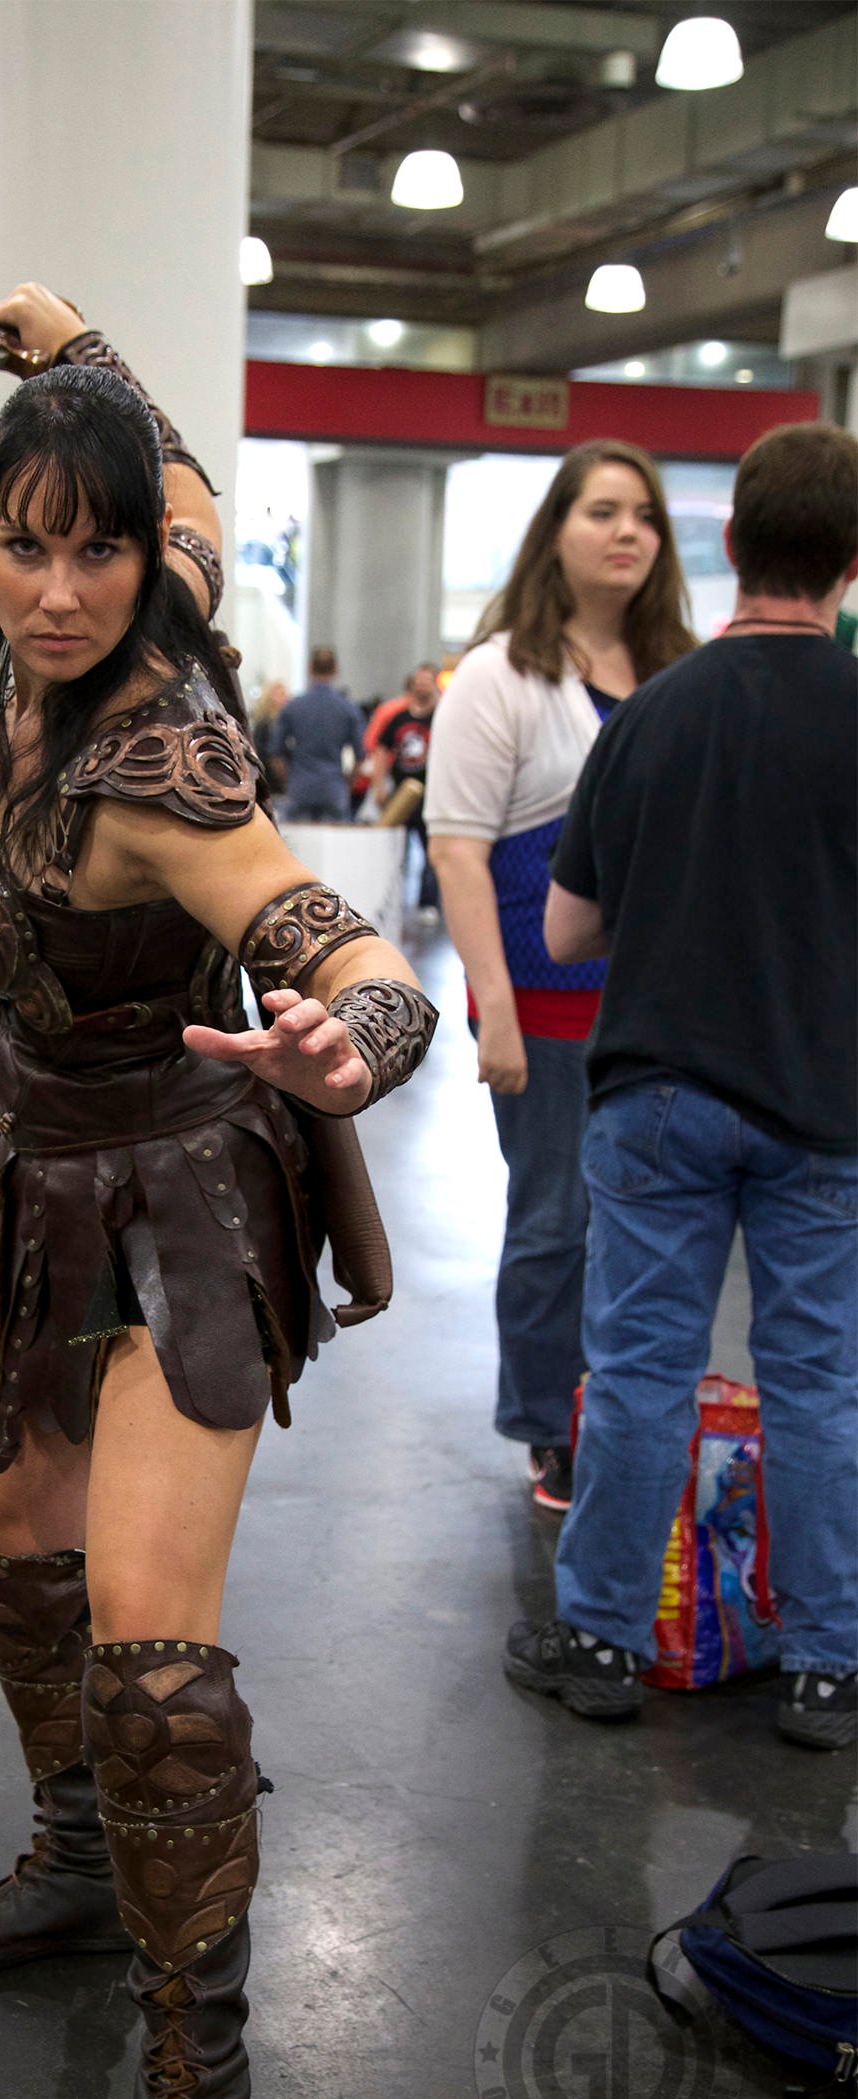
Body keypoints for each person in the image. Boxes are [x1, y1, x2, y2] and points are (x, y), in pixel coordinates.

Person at [0, 281, 437, 2099]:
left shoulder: (163, 768)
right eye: (26, 543)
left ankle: (197, 2075)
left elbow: (349, 951)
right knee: (2, 1551)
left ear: (142, 569)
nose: (62, 586)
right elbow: (188, 473)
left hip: (182, 1194)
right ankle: (66, 1862)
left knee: (151, 1656)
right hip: (37, 1169)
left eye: (100, 548)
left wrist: (348, 1037)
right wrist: (78, 346)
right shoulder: (17, 663)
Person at [505, 423, 858, 1750]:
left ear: (728, 543)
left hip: (652, 1094)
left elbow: (572, 933)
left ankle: (599, 1636)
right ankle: (829, 1662)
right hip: (822, 1102)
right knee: (817, 1380)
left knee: (641, 1369)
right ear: (851, 564)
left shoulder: (649, 714)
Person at [426, 441, 694, 1512]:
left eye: (646, 517)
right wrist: (491, 1009)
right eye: (603, 512)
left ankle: (626, 1414)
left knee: (654, 1231)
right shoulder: (503, 675)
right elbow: (457, 848)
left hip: (666, 1014)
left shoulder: (684, 673)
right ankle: (549, 1424)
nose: (628, 532)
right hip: (544, 1014)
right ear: (557, 531)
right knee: (556, 1223)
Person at [369, 663, 441, 912]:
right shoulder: (398, 719)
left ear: (435, 684)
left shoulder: (442, 718)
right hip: (401, 794)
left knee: (430, 853)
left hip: (432, 797)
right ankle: (391, 903)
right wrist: (379, 786)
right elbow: (380, 750)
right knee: (396, 852)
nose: (422, 685)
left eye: (427, 681)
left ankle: (428, 903)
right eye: (418, 681)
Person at [272, 648, 361, 821]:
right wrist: (346, 782)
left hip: (300, 786)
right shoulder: (348, 709)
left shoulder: (292, 707)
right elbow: (360, 756)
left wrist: (288, 780)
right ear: (335, 669)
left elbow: (275, 753)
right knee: (335, 844)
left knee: (296, 844)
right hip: (333, 787)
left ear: (310, 668)